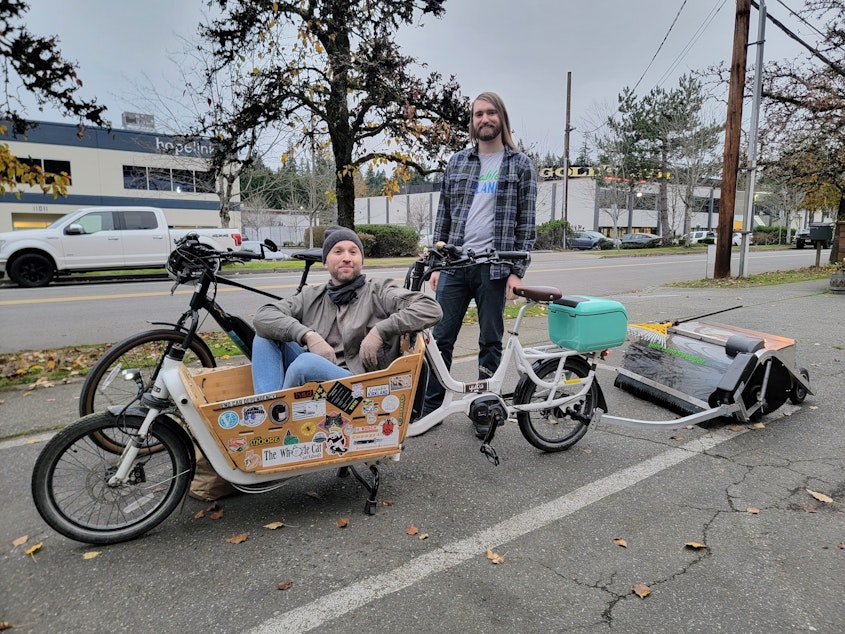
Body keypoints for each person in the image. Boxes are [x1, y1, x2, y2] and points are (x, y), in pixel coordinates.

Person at [424, 91, 537, 438]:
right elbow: (443, 215)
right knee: (440, 337)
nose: (484, 119)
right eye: (478, 114)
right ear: (472, 122)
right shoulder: (457, 162)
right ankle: (431, 407)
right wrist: (437, 263)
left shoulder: (520, 165)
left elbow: (526, 223)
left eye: (490, 113)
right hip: (455, 264)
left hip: (495, 266)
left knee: (490, 340)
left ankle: (484, 407)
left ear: (501, 118)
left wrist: (517, 271)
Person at [251, 225, 442, 393]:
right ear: (325, 262)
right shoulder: (311, 296)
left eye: (353, 252)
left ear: (361, 260)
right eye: (338, 251)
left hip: (361, 387)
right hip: (319, 379)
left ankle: (278, 414)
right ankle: (270, 408)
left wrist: (380, 331)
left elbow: (430, 308)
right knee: (263, 336)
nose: (347, 258)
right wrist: (308, 335)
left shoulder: (379, 291)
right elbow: (263, 316)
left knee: (305, 364)